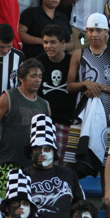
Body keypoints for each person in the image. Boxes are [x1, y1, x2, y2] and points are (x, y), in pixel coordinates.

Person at [0, 58, 50, 196]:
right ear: (21, 78)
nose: (37, 80)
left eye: (39, 76)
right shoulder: (9, 96)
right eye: (33, 76)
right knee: (4, 208)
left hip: (34, 167)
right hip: (8, 164)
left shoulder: (45, 105)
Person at [22, 114, 84, 218]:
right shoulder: (22, 176)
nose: (41, 153)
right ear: (30, 153)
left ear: (53, 152)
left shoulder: (69, 175)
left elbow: (81, 207)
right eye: (36, 149)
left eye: (46, 149)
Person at [67, 13, 110, 124]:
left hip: (107, 108)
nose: (94, 34)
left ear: (106, 32)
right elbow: (70, 86)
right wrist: (85, 84)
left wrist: (101, 88)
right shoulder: (78, 54)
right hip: (83, 109)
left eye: (99, 30)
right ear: (86, 31)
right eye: (91, 30)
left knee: (106, 140)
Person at [35, 26, 75, 161]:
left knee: (67, 167)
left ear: (63, 43)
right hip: (44, 123)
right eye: (45, 42)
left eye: (52, 42)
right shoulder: (38, 63)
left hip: (68, 122)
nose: (48, 46)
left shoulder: (73, 62)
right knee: (44, 164)